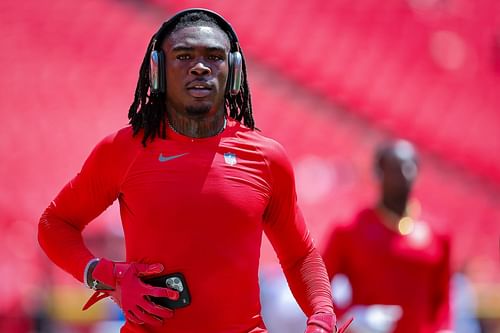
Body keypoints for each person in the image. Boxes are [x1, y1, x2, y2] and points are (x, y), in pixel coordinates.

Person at [38, 8, 349, 333]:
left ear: (234, 71)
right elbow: (55, 224)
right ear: (158, 69)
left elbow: (300, 256)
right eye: (184, 55)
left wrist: (322, 315)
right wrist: (104, 273)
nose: (200, 67)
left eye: (214, 57)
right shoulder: (123, 149)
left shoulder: (266, 157)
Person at [322, 140, 452, 333]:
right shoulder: (349, 230)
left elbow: (443, 297)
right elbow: (317, 288)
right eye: (396, 168)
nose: (405, 174)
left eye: (411, 167)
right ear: (378, 173)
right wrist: (350, 316)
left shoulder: (438, 234)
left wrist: (443, 328)